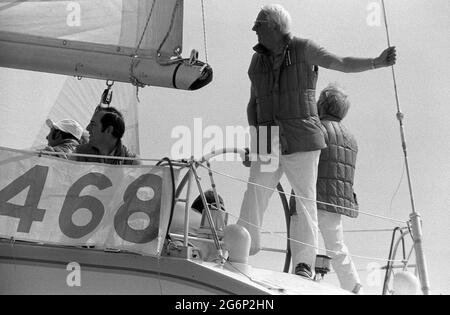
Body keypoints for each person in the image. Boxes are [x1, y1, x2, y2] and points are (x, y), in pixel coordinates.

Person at [238, 4, 397, 279]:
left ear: (274, 27)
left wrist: (376, 62)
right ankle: (241, 247)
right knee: (254, 192)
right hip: (267, 137)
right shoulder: (257, 61)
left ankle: (304, 264)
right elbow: (253, 104)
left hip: (302, 137)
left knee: (305, 201)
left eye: (258, 25)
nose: (254, 30)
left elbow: (342, 63)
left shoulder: (304, 48)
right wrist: (256, 140)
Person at [74, 106, 140, 165]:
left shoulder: (133, 164)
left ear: (109, 130)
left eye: (93, 124)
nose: (87, 128)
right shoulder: (76, 155)